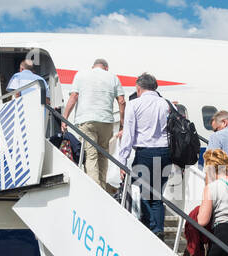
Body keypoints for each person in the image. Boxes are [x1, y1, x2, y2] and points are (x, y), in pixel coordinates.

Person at [118, 73, 172, 235]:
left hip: (145, 153)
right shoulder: (167, 104)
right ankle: (158, 231)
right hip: (165, 153)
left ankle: (145, 229)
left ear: (138, 88)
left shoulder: (134, 104)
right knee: (156, 195)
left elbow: (128, 135)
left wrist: (122, 160)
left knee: (139, 192)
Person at [63, 58, 124, 190]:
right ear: (106, 68)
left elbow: (73, 97)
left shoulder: (81, 75)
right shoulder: (113, 77)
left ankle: (95, 190)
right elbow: (121, 101)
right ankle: (101, 187)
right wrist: (122, 124)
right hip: (106, 121)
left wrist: (65, 118)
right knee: (103, 155)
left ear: (93, 67)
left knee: (91, 155)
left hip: (87, 121)